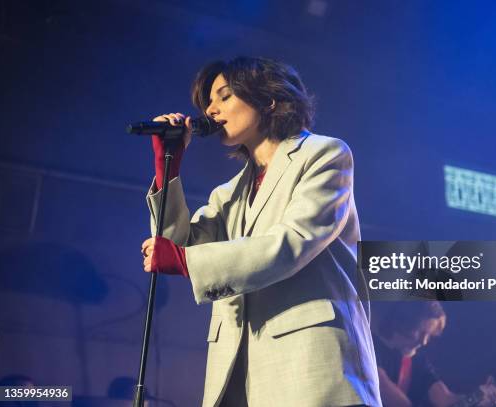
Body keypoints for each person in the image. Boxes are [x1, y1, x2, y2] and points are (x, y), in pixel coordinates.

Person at [140, 57, 381, 407]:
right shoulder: (228, 193)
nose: (211, 109)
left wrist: (185, 259)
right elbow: (179, 245)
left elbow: (293, 242)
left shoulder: (324, 155)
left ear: (267, 98)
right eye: (208, 101)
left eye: (224, 96)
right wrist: (169, 169)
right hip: (239, 373)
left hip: (311, 368)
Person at [372, 301, 496, 407]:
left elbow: (445, 398)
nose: (423, 342)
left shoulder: (418, 361)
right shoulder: (367, 347)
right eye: (420, 332)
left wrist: (477, 397)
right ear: (404, 322)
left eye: (429, 335)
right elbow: (384, 388)